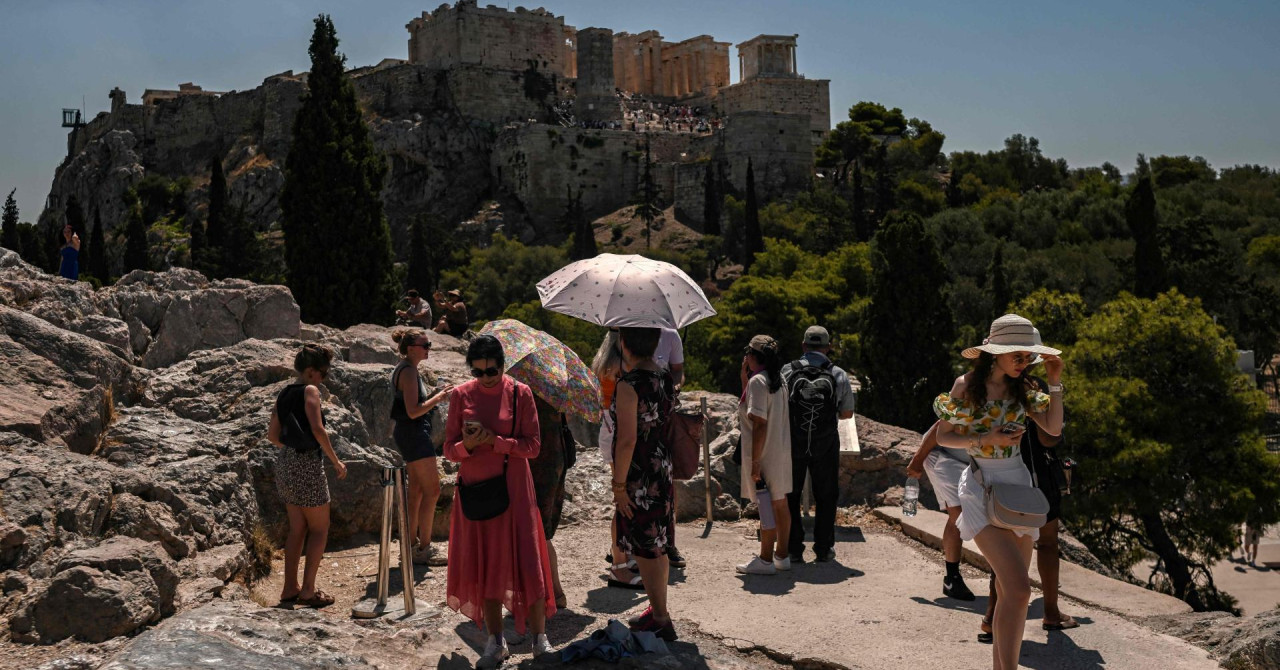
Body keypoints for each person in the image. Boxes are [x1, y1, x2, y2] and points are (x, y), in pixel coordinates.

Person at [932, 314, 1064, 670]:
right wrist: (984, 439)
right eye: (1018, 356)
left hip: (1018, 489)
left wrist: (1054, 382)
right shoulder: (966, 385)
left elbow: (1053, 428)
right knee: (1020, 590)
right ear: (997, 353)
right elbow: (943, 437)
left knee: (1012, 595)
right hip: (980, 487)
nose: (1025, 363)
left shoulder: (1024, 388)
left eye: (1028, 357)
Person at [444, 335, 555, 666]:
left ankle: (539, 639)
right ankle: (495, 641)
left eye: (491, 370)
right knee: (485, 566)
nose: (485, 377)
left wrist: (495, 441)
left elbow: (533, 446)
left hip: (516, 491)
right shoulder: (460, 395)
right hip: (477, 492)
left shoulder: (521, 395)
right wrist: (467, 445)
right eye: (478, 372)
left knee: (527, 564)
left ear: (503, 366)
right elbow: (449, 451)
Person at [266, 344, 347, 609]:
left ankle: (290, 587)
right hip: (308, 463)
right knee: (320, 529)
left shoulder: (284, 392)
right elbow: (317, 429)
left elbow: (272, 436)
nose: (324, 378)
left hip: (286, 461)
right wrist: (336, 461)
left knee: (297, 528)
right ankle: (308, 590)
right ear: (312, 372)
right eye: (323, 373)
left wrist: (291, 449)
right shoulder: (310, 390)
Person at [611, 327, 678, 640]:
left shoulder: (629, 384)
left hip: (640, 474)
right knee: (659, 543)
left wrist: (619, 486)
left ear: (624, 344)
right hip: (662, 466)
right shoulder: (665, 377)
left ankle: (661, 618)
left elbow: (626, 440)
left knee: (645, 549)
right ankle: (658, 607)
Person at [781, 326, 856, 565]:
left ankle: (793, 548)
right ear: (828, 347)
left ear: (803, 346)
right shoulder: (838, 374)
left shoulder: (787, 370)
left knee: (790, 494)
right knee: (826, 495)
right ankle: (823, 549)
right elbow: (846, 413)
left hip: (792, 442)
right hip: (825, 443)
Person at [390, 329, 453, 566]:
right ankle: (424, 548)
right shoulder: (408, 372)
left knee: (415, 491)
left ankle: (410, 544)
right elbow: (413, 411)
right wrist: (438, 399)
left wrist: (436, 394)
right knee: (432, 491)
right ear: (410, 348)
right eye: (424, 344)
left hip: (408, 434)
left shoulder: (405, 368)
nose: (428, 347)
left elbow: (413, 405)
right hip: (414, 434)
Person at [735, 335, 794, 576]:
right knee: (780, 504)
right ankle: (782, 555)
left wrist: (755, 462)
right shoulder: (777, 379)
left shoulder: (758, 382)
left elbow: (758, 424)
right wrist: (744, 380)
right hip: (780, 450)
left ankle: (765, 559)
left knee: (765, 505)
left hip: (763, 452)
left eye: (747, 352)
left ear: (753, 356)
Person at [593, 329, 644, 590]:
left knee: (624, 497)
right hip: (617, 431)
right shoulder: (620, 367)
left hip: (609, 429)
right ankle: (620, 564)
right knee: (622, 499)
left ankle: (624, 557)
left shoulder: (604, 362)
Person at [907, 422, 975, 600]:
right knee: (959, 516)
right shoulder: (970, 396)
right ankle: (952, 578)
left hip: (973, 461)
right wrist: (917, 460)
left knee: (970, 517)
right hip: (944, 457)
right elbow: (939, 426)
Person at [652, 327, 687, 568]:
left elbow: (678, 372)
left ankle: (668, 543)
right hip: (633, 413)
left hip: (663, 416)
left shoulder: (670, 335)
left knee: (667, 484)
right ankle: (622, 548)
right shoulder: (624, 330)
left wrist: (671, 388)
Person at [531, 395, 569, 608]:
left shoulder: (527, 394)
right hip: (554, 461)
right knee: (541, 532)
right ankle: (555, 593)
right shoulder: (555, 392)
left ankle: (551, 594)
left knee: (538, 533)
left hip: (538, 466)